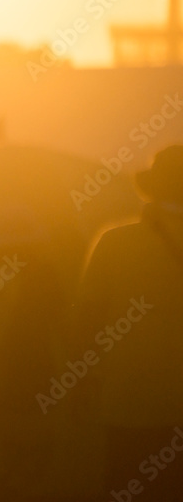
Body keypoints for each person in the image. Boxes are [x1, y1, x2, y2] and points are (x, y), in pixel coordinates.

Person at [76, 144, 183, 501]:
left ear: (151, 188)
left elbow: (87, 321)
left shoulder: (113, 241)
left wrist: (84, 381)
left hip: (128, 402)